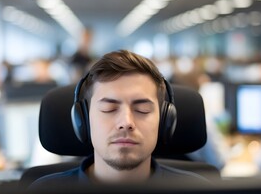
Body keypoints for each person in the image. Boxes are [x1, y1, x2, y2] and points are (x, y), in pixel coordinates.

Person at [28, 50, 210, 190]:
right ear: (83, 119)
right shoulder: (44, 191)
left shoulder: (199, 191)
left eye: (142, 109)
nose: (126, 121)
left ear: (165, 120)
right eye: (109, 108)